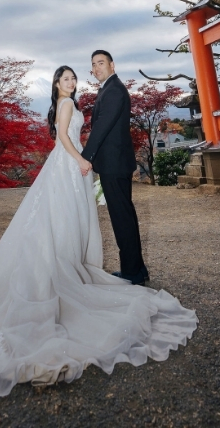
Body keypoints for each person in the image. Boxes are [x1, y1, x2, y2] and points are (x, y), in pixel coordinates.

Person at [0, 64, 197, 396]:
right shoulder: (67, 104)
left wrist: (81, 159)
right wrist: (83, 160)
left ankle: (62, 263)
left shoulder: (68, 103)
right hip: (68, 165)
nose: (71, 82)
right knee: (60, 220)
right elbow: (62, 140)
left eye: (74, 78)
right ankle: (58, 269)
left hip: (66, 168)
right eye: (66, 78)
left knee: (58, 222)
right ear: (57, 83)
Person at [81, 49, 148, 284]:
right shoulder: (109, 89)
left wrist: (85, 157)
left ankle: (132, 272)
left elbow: (101, 127)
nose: (97, 68)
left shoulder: (114, 90)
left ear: (112, 65)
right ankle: (136, 269)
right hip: (114, 162)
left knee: (122, 218)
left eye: (101, 62)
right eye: (93, 64)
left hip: (114, 164)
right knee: (123, 217)